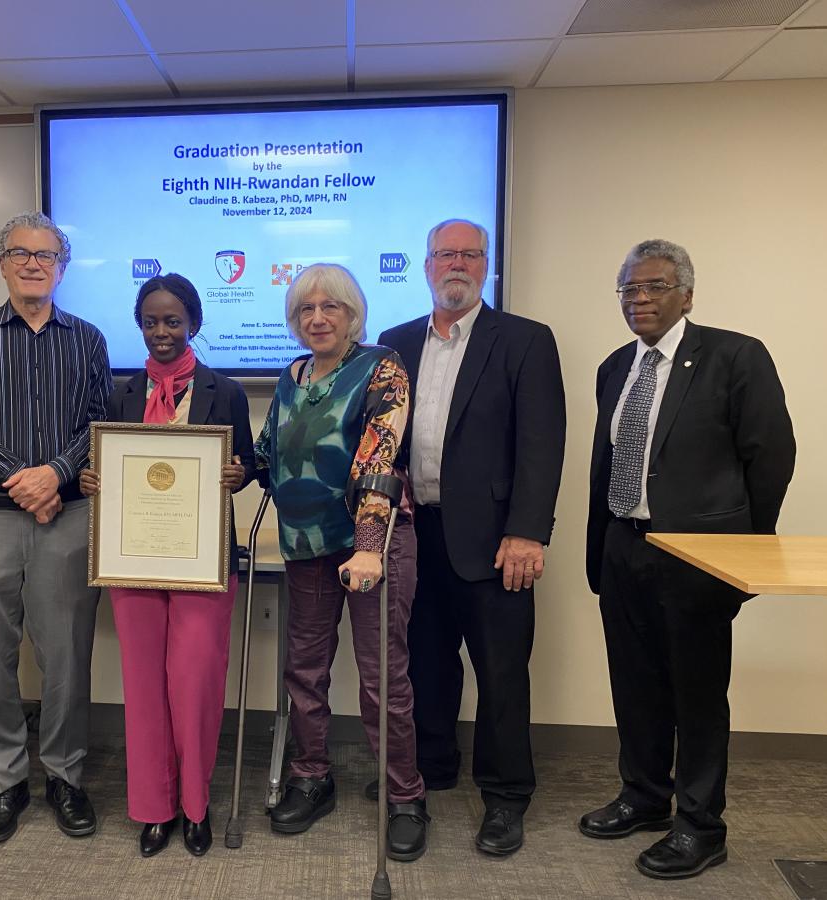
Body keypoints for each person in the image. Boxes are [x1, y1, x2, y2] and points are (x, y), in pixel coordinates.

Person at [580, 239, 795, 879]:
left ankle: (701, 826)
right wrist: (600, 549)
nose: (638, 299)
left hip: (699, 555)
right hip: (625, 544)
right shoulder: (615, 366)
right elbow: (607, 463)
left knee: (698, 693)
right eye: (628, 288)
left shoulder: (735, 356)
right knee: (636, 683)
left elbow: (772, 456)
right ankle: (644, 797)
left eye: (653, 287)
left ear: (687, 295)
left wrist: (743, 550)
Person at [378, 218, 566, 856]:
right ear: (425, 264)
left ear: (486, 265)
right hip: (414, 535)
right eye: (444, 254)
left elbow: (542, 445)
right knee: (425, 662)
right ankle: (433, 765)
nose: (456, 264)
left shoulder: (524, 340)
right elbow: (383, 439)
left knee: (502, 673)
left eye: (469, 254)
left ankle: (507, 796)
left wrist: (527, 532)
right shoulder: (393, 342)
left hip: (495, 541)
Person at [0, 211, 111, 845]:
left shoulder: (89, 338)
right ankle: (5, 780)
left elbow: (98, 425)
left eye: (46, 254)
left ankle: (65, 776)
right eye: (20, 253)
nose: (33, 263)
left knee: (67, 654)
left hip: (68, 517)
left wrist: (55, 476)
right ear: (2, 263)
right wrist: (24, 479)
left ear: (61, 267)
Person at [256, 263, 429, 862]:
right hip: (305, 546)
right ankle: (311, 776)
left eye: (330, 307)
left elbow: (380, 455)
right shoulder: (292, 375)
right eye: (306, 309)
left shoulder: (381, 367)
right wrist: (230, 469)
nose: (317, 318)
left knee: (383, 677)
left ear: (353, 315)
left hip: (371, 546)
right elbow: (268, 451)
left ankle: (404, 795)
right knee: (304, 670)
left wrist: (368, 544)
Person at [79, 273, 254, 858]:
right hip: (133, 564)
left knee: (196, 685)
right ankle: (154, 809)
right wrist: (91, 478)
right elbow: (103, 464)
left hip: (204, 562)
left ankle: (196, 807)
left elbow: (248, 462)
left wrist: (238, 473)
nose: (161, 332)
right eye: (151, 321)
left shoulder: (222, 391)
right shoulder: (120, 395)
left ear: (194, 324)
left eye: (172, 321)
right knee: (144, 688)